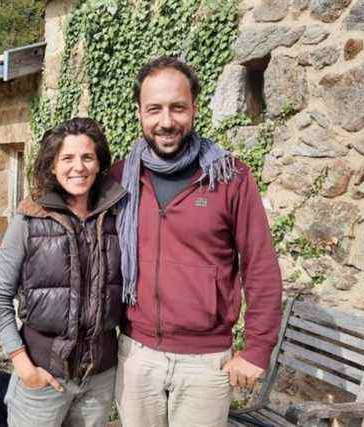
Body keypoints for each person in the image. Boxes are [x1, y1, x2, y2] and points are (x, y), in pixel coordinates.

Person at [112, 56, 283, 427]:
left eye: (178, 108)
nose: (166, 121)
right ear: (140, 112)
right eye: (154, 109)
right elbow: (67, 197)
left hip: (206, 363)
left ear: (194, 109)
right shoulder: (119, 179)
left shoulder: (230, 178)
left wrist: (256, 350)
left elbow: (261, 267)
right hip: (136, 355)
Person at [0, 117, 127, 427]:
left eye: (87, 157)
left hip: (99, 378)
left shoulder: (117, 218)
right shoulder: (28, 221)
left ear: (99, 162)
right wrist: (23, 366)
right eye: (67, 158)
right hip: (43, 376)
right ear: (52, 165)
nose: (79, 166)